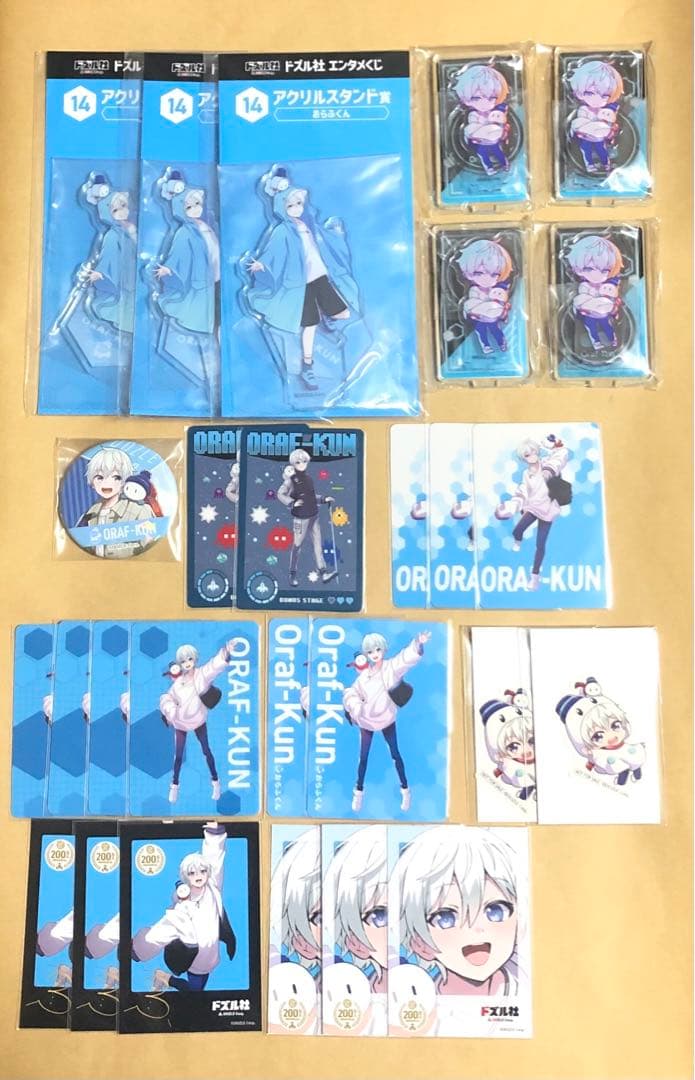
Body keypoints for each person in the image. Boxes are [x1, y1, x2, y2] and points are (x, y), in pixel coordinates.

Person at [246, 169, 359, 391]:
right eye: (290, 205)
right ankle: (308, 366)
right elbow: (272, 252)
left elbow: (324, 242)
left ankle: (326, 316)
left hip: (320, 275)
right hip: (299, 284)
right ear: (281, 208)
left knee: (344, 312)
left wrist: (336, 234)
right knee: (309, 326)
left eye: (298, 203)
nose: (296, 208)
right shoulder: (281, 231)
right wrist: (262, 265)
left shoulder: (307, 224)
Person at [398, 826, 519, 996]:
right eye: (445, 918)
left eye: (496, 910)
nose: (474, 928)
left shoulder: (529, 992)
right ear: (420, 943)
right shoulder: (418, 999)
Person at [132, 823, 236, 992]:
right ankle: (165, 978)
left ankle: (163, 979)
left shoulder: (212, 887)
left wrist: (214, 834)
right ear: (185, 877)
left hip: (210, 957)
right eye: (192, 873)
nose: (199, 876)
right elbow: (161, 932)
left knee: (198, 988)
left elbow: (214, 861)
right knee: (195, 993)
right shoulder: (182, 908)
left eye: (202, 871)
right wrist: (139, 951)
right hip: (193, 960)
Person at [343, 630, 431, 812]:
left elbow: (405, 658)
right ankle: (358, 792)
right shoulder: (363, 677)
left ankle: (405, 791)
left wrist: (418, 643)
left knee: (395, 754)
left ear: (383, 649)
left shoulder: (391, 667)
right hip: (366, 720)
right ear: (366, 654)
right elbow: (351, 693)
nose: (375, 654)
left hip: (387, 718)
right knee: (363, 758)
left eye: (378, 649)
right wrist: (356, 708)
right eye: (370, 652)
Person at [160, 638, 239, 804]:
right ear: (179, 663)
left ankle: (216, 783)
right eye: (183, 661)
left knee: (206, 750)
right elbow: (166, 698)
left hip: (198, 721)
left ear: (195, 659)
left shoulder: (201, 675)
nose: (187, 663)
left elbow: (214, 666)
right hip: (180, 723)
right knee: (178, 756)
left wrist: (226, 651)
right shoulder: (177, 683)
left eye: (190, 659)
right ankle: (174, 786)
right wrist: (170, 711)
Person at [494, 434, 570, 591]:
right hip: (533, 507)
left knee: (540, 545)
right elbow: (523, 491)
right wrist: (513, 506)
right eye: (527, 455)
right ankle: (518, 541)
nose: (532, 456)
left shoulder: (548, 463)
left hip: (548, 510)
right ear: (523, 458)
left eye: (534, 452)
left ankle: (535, 577)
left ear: (538, 451)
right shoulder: (526, 474)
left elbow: (560, 457)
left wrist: (556, 445)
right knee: (517, 530)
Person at [556, 677, 645, 785]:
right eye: (598, 736)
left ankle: (637, 775)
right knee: (619, 767)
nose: (611, 737)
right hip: (610, 758)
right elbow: (592, 761)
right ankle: (622, 780)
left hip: (626, 750)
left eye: (616, 725)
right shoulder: (600, 753)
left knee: (635, 760)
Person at [77, 446, 156, 559]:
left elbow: (150, 548)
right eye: (100, 477)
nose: (107, 483)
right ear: (92, 482)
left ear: (124, 481)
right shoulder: (88, 516)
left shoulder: (140, 510)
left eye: (116, 477)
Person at [277, 448, 337, 587]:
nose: (302, 464)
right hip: (300, 518)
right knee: (297, 545)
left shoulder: (308, 478)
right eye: (298, 462)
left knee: (317, 544)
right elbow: (280, 493)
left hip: (313, 515)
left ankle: (323, 572)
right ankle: (292, 573)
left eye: (304, 461)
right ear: (293, 463)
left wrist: (323, 499)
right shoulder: (290, 481)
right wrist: (292, 503)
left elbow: (311, 496)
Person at [567, 234, 623, 351]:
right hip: (589, 315)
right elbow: (582, 302)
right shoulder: (584, 286)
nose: (596, 275)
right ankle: (596, 343)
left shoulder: (608, 286)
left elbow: (612, 301)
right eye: (589, 269)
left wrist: (611, 304)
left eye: (604, 270)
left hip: (603, 314)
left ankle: (613, 340)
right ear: (578, 269)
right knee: (592, 329)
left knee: (607, 326)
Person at [457, 239, 513, 354]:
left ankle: (502, 343)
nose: (487, 279)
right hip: (479, 319)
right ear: (468, 273)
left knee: (496, 330)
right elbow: (472, 304)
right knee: (481, 331)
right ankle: (486, 346)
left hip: (493, 318)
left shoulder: (497, 291)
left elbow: (502, 304)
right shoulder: (474, 290)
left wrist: (503, 309)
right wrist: (473, 312)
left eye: (494, 275)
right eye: (479, 273)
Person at [568, 59, 623, 174]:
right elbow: (580, 123)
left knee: (601, 150)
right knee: (586, 150)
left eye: (604, 96)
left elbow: (610, 125)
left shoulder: (605, 111)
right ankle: (590, 165)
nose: (597, 99)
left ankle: (606, 164)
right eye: (590, 93)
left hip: (599, 138)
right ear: (579, 93)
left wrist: (611, 129)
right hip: (585, 137)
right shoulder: (583, 109)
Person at [479, 690, 536, 801]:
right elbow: (517, 778)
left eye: (532, 741)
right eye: (514, 747)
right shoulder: (510, 765)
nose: (527, 750)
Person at [455, 65, 511, 174]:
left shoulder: (495, 113)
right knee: (483, 155)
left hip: (494, 142)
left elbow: (501, 127)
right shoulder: (473, 115)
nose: (485, 103)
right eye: (477, 98)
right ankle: (489, 169)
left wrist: (502, 128)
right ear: (466, 99)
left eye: (492, 98)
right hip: (480, 143)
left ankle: (505, 165)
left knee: (499, 153)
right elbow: (471, 131)